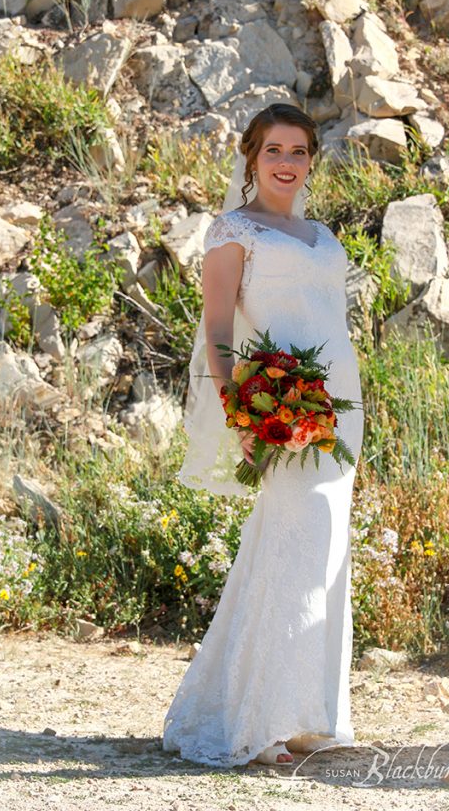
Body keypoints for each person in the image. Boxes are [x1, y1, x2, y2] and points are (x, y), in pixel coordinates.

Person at [162, 103, 364, 768]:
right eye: (273, 150)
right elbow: (217, 330)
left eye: (299, 151)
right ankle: (258, 722)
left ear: (311, 160)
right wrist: (241, 411)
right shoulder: (232, 231)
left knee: (327, 556)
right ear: (252, 157)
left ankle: (313, 717)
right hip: (279, 412)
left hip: (340, 415)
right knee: (289, 548)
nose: (286, 163)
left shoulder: (321, 235)